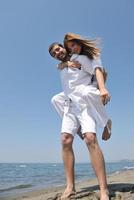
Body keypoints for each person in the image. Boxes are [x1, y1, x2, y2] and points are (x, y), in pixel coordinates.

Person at [48, 35, 111, 200]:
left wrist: (102, 86)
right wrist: (64, 63)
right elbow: (58, 66)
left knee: (90, 139)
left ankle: (104, 190)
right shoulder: (63, 65)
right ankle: (70, 187)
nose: (57, 52)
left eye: (58, 49)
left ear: (64, 47)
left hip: (84, 105)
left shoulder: (81, 58)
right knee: (65, 140)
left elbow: (98, 70)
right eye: (54, 53)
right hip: (70, 105)